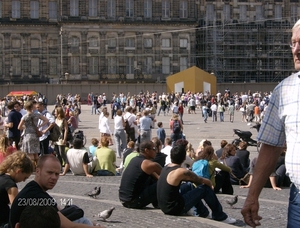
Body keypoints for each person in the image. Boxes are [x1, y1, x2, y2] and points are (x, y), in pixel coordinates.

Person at [241, 23, 300, 228]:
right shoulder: (284, 90)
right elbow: (270, 147)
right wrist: (252, 196)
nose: (296, 50)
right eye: (293, 43)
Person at [9, 155, 105, 228]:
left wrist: (95, 224)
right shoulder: (36, 195)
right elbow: (69, 225)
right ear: (38, 171)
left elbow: (60, 212)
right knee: (81, 221)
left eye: (57, 174)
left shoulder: (34, 189)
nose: (54, 177)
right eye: (50, 173)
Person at [156, 145, 236, 224]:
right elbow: (202, 180)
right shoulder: (181, 171)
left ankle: (203, 212)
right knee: (204, 188)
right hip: (174, 208)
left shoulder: (166, 168)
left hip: (164, 206)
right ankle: (220, 215)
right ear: (184, 158)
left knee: (189, 185)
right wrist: (210, 185)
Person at [119, 141, 162, 209]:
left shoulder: (135, 159)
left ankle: (157, 203)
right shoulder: (148, 164)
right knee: (162, 183)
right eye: (154, 149)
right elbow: (166, 176)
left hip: (124, 200)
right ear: (146, 150)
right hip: (134, 201)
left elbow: (154, 175)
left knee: (152, 179)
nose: (156, 151)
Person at [0, 152, 34, 227]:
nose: (24, 180)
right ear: (19, 171)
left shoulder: (1, 176)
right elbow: (16, 208)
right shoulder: (10, 185)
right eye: (25, 177)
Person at [18, 101, 49, 165]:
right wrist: (39, 126)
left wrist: (25, 127)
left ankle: (32, 167)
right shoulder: (37, 115)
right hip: (35, 134)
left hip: (28, 135)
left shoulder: (25, 116)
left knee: (30, 153)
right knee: (36, 153)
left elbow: (19, 127)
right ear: (32, 107)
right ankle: (38, 166)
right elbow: (46, 120)